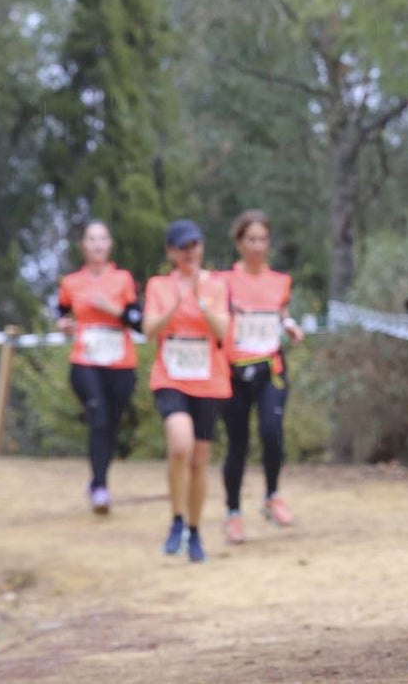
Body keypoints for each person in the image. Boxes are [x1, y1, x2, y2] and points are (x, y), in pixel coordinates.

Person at [143, 219, 231, 563]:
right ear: (171, 252)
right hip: (170, 376)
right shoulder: (158, 286)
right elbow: (149, 330)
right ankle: (176, 520)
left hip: (208, 378)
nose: (190, 253)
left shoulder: (216, 285)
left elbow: (223, 329)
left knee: (199, 459)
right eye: (182, 247)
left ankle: (194, 531)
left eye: (194, 245)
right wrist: (175, 304)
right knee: (180, 444)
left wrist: (200, 300)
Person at [219, 210, 305, 544]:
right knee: (237, 443)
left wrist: (290, 325)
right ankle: (233, 513)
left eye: (262, 239)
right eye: (250, 239)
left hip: (271, 368)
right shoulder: (224, 281)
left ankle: (272, 496)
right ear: (239, 242)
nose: (257, 245)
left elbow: (281, 312)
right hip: (234, 370)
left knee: (272, 431)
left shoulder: (280, 281)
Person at [55, 221, 142, 515]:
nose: (97, 245)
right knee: (99, 418)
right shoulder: (71, 282)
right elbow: (62, 311)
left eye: (102, 239)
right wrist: (63, 324)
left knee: (112, 423)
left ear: (110, 244)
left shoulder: (123, 279)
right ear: (83, 245)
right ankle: (102, 489)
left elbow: (136, 318)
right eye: (91, 239)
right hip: (85, 359)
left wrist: (111, 308)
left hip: (120, 361)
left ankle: (96, 480)